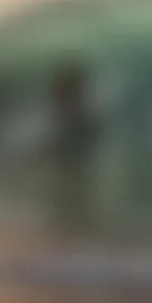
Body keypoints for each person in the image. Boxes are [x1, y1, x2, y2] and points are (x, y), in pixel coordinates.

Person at [47, 62, 98, 236]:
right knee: (73, 173)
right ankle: (70, 214)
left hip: (70, 132)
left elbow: (63, 112)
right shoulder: (69, 92)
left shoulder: (65, 92)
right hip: (72, 132)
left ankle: (68, 214)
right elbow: (71, 114)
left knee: (72, 173)